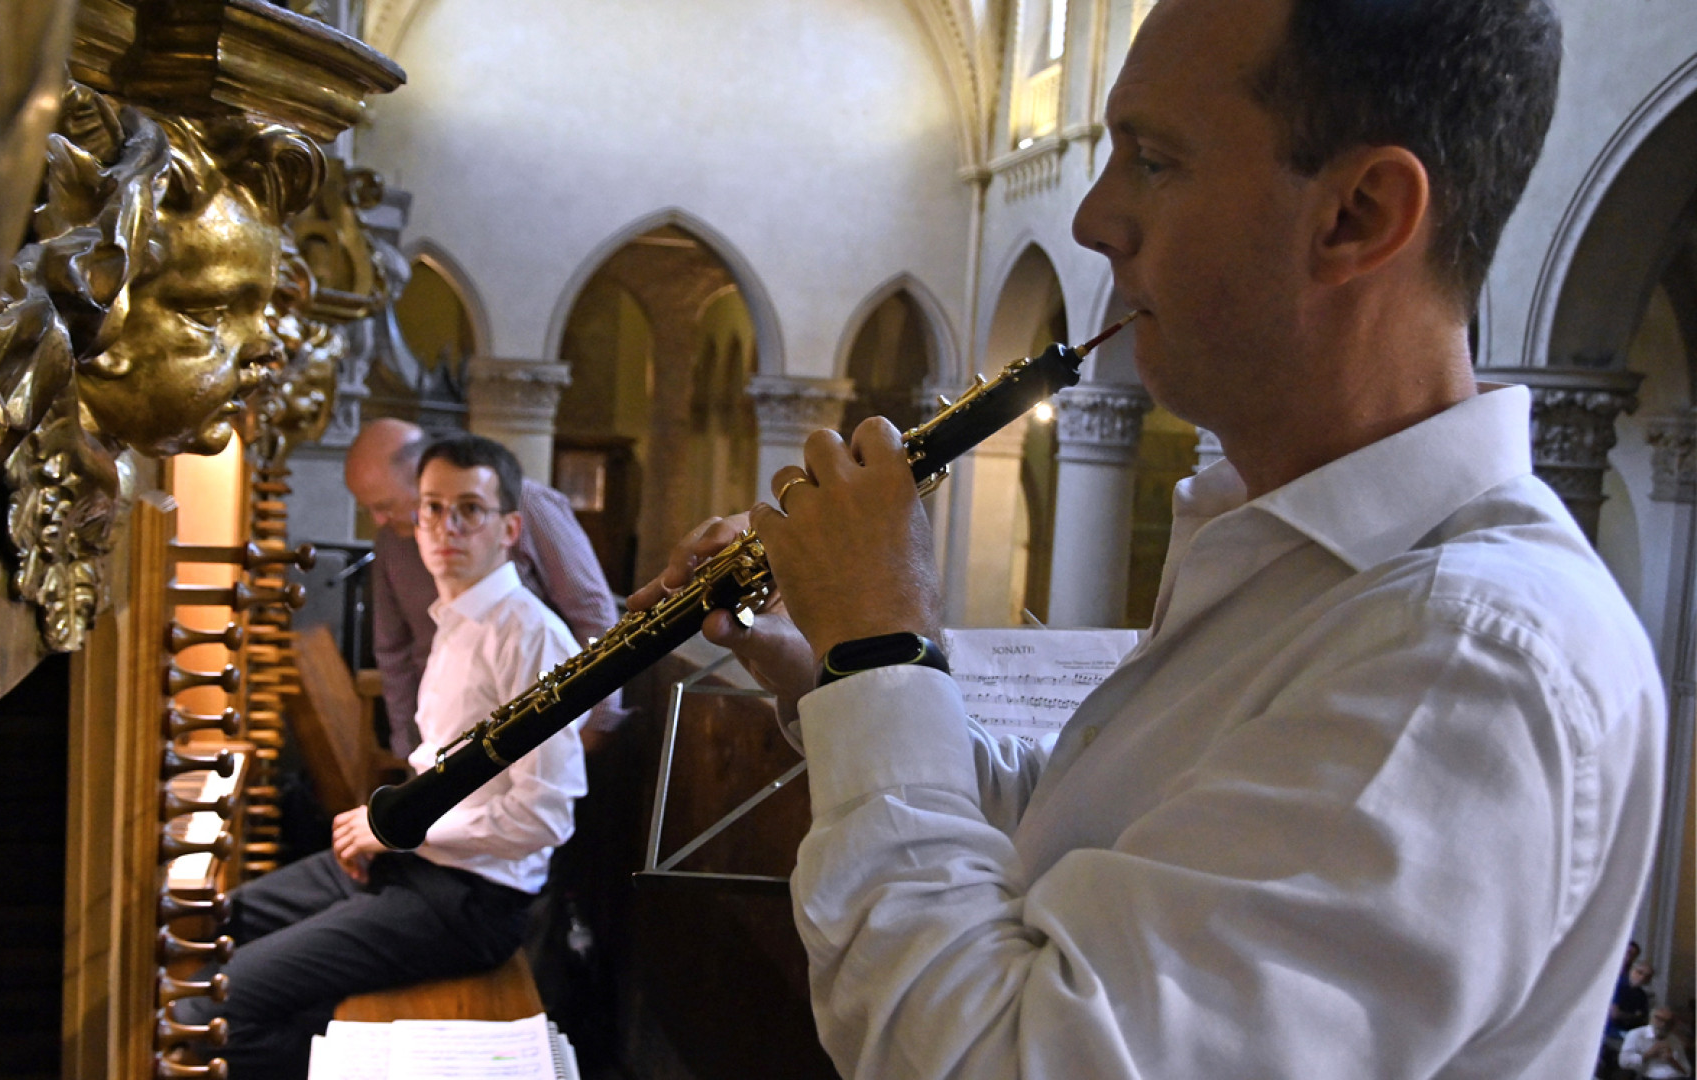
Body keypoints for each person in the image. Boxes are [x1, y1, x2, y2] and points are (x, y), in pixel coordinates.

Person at [629, 0, 1665, 1075]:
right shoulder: (1299, 563)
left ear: (1358, 215)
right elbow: (1076, 835)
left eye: (1154, 160)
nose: (1094, 219)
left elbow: (1006, 1056)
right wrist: (828, 675)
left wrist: (883, 654)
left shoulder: (1468, 659)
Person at [176, 434, 589, 1079]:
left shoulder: (533, 641)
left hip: (468, 900)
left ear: (509, 527)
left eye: (469, 510)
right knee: (204, 921)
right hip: (410, 858)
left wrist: (392, 828)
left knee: (209, 1011)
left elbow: (544, 823)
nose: (445, 528)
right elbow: (437, 772)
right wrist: (387, 828)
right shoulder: (456, 617)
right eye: (431, 508)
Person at [345, 417, 620, 758]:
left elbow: (593, 612)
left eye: (385, 505)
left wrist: (596, 721)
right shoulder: (391, 540)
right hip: (442, 738)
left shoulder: (526, 504)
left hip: (534, 729)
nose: (378, 520)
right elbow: (393, 651)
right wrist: (408, 748)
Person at [1620, 1009, 1692, 1080]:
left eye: (1669, 1022)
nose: (1663, 1025)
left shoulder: (1674, 1039)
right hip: (1650, 1077)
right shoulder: (1636, 1034)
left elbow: (1687, 1071)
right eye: (1660, 1020)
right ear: (1652, 1019)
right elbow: (1623, 1062)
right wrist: (1648, 1055)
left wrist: (1672, 1060)